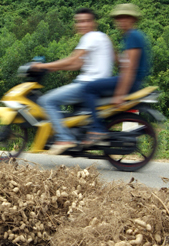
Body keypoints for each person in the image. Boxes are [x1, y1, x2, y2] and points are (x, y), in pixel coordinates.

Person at [31, 8, 113, 155]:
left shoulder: (90, 37)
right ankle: (74, 134)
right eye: (79, 21)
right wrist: (53, 68)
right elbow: (77, 64)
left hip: (87, 85)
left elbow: (73, 59)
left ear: (94, 23)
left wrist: (42, 66)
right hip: (96, 84)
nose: (82, 24)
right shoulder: (102, 37)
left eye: (86, 21)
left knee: (46, 101)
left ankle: (64, 138)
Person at [81, 3, 151, 145]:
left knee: (89, 88)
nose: (121, 21)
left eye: (125, 18)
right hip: (130, 80)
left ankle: (97, 128)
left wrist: (120, 94)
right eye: (119, 18)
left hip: (131, 82)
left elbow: (130, 69)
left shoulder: (133, 36)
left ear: (133, 20)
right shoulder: (129, 37)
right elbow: (124, 63)